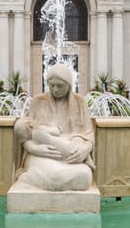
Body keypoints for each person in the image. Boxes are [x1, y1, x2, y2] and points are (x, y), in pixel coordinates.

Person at [14, 63, 95, 191]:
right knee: (54, 177)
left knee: (85, 177)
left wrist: (85, 150)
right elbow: (25, 133)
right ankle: (29, 179)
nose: (55, 89)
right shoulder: (38, 101)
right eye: (52, 85)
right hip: (42, 155)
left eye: (60, 86)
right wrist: (35, 149)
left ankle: (36, 180)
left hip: (72, 157)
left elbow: (89, 133)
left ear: (69, 85)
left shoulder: (80, 102)